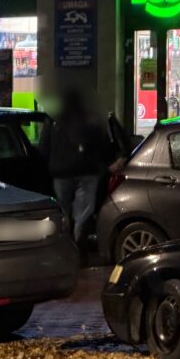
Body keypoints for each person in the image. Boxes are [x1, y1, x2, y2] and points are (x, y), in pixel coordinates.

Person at [40, 89, 123, 244]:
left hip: (61, 172)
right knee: (83, 212)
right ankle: (79, 241)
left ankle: (65, 241)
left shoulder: (52, 118)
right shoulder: (89, 118)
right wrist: (109, 162)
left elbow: (44, 146)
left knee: (62, 210)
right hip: (87, 171)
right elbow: (101, 143)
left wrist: (49, 166)